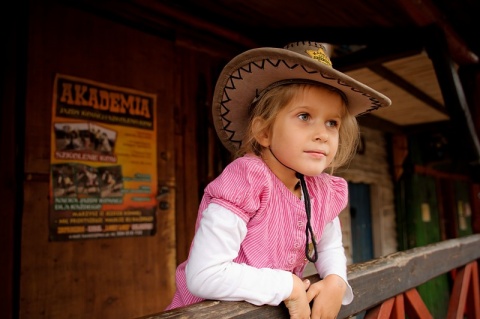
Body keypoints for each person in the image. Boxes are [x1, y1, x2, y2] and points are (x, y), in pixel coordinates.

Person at [165, 41, 391, 318]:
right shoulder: (246, 179)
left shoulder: (321, 190)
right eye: (305, 116)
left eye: (332, 122)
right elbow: (204, 274)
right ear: (264, 132)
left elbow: (329, 245)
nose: (323, 134)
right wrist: (289, 287)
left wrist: (335, 279)